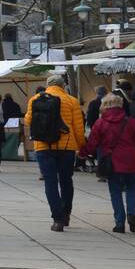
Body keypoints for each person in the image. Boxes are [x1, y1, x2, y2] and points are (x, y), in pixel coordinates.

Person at [25, 74, 85, 231]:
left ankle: (57, 219)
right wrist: (81, 146)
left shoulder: (36, 99)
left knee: (50, 182)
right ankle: (66, 214)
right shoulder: (72, 101)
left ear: (47, 85)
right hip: (66, 147)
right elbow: (78, 128)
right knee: (66, 180)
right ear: (63, 86)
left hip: (43, 146)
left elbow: (28, 121)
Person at [81, 93, 135, 233]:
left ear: (104, 106)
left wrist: (83, 153)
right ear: (120, 105)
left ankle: (120, 223)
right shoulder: (131, 121)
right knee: (131, 188)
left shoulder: (100, 123)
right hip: (130, 160)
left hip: (112, 162)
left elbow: (93, 143)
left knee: (115, 191)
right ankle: (131, 213)